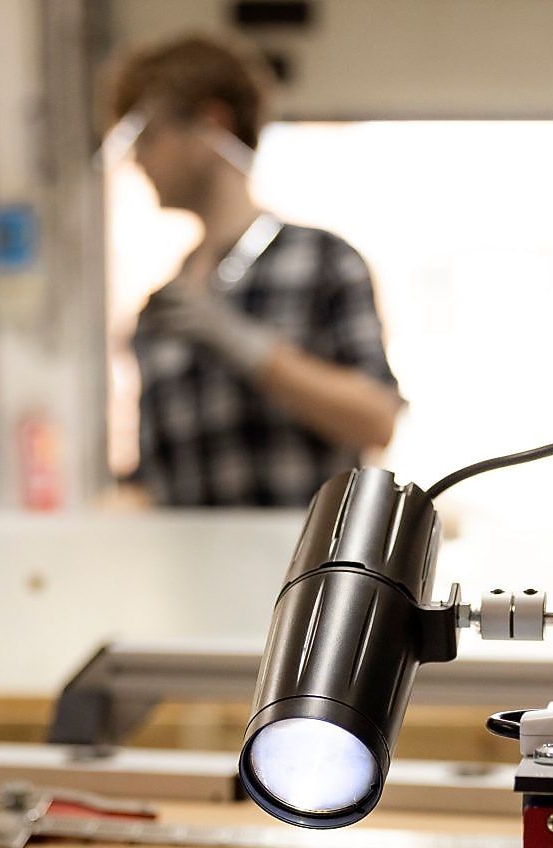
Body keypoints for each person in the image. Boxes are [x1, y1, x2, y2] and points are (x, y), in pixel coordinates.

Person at [104, 31, 403, 507]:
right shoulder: (162, 308)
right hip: (189, 577)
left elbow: (376, 419)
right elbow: (149, 479)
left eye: (147, 134)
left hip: (303, 577)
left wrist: (244, 344)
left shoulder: (324, 262)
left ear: (210, 123)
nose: (137, 157)